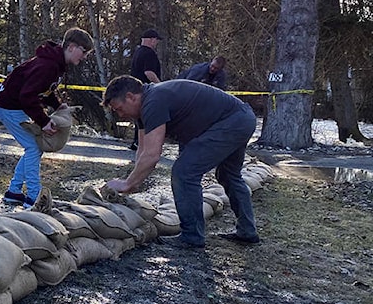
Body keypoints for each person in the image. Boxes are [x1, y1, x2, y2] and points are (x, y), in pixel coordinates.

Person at [102, 75, 260, 249]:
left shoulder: (154, 101)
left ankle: (192, 236)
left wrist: (127, 184)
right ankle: (247, 231)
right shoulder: (145, 105)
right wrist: (132, 181)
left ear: (131, 97)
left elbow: (153, 155)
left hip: (233, 121)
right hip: (240, 118)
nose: (120, 115)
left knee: (184, 173)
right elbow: (143, 150)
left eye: (119, 109)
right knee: (229, 175)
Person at [0, 27, 95, 209]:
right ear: (71, 47)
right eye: (84, 51)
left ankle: (14, 191)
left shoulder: (55, 64)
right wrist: (44, 121)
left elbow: (44, 90)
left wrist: (57, 105)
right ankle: (33, 196)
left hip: (14, 105)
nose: (85, 56)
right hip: (8, 106)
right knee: (33, 147)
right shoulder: (48, 66)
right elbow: (27, 96)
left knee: (33, 148)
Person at [127, 28, 163, 150]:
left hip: (135, 89)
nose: (156, 43)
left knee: (139, 116)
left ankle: (137, 141)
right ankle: (143, 143)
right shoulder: (149, 53)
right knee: (146, 117)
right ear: (152, 40)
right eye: (156, 40)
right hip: (146, 90)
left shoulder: (138, 52)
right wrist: (160, 86)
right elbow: (149, 73)